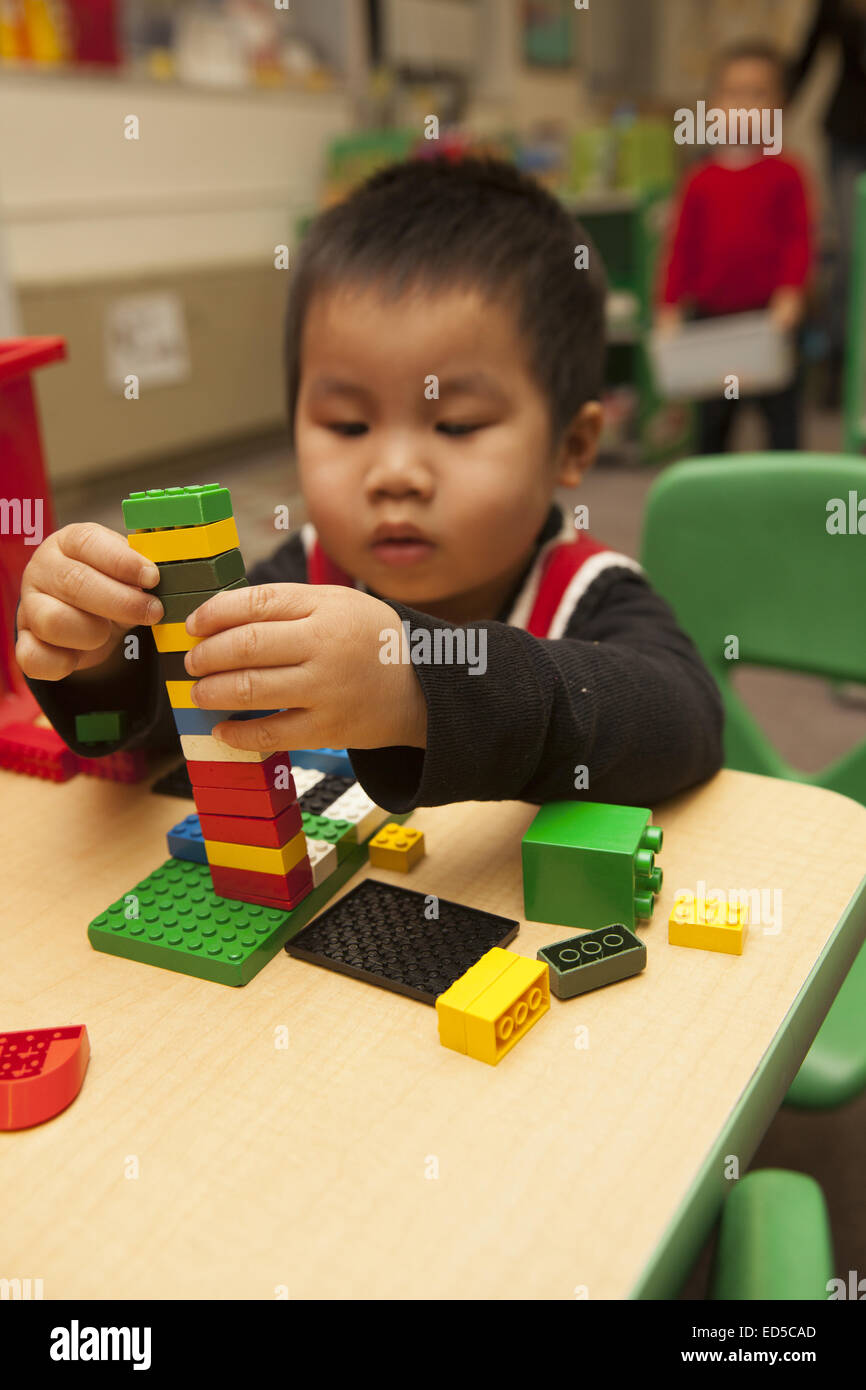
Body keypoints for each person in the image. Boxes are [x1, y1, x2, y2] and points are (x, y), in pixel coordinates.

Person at [16, 157, 723, 809]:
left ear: (571, 445)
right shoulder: (312, 570)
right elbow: (184, 722)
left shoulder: (588, 591)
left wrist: (418, 686)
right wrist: (108, 657)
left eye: (457, 425)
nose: (394, 475)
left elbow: (684, 723)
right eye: (349, 426)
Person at [657, 41, 814, 453]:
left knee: (782, 424)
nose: (744, 104)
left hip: (770, 321)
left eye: (757, 93)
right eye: (733, 93)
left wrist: (791, 293)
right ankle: (710, 501)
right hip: (711, 321)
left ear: (779, 107)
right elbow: (681, 249)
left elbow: (799, 239)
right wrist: (669, 307)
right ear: (712, 106)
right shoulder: (699, 180)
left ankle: (784, 497)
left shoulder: (787, 174)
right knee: (712, 427)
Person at [788, 0, 866, 404]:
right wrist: (765, 116)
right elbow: (807, 56)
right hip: (850, 135)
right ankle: (838, 362)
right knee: (853, 255)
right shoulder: (837, 6)